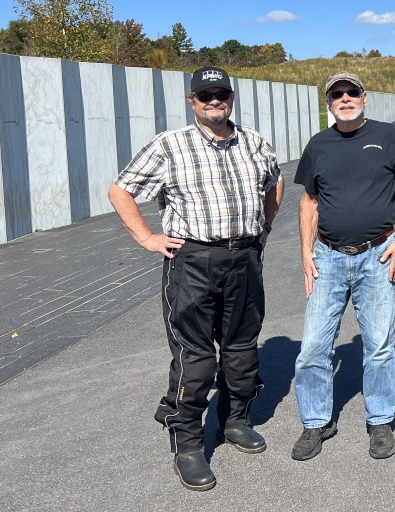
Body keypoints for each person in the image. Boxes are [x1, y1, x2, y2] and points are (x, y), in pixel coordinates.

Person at [108, 66, 283, 492]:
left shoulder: (255, 141)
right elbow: (120, 190)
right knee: (196, 358)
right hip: (192, 263)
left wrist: (264, 226)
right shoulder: (169, 145)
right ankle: (187, 444)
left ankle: (234, 421)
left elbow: (274, 183)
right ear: (192, 101)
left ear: (231, 98)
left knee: (241, 350)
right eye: (205, 95)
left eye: (221, 93)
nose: (214, 100)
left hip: (245, 257)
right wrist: (147, 237)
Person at [292, 72, 395, 462]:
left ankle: (380, 420)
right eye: (337, 94)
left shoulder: (387, 136)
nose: (345, 98)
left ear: (364, 98)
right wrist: (306, 252)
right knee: (313, 347)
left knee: (379, 346)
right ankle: (316, 422)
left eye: (352, 92)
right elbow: (309, 201)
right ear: (329, 103)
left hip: (377, 255)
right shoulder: (319, 144)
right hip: (328, 257)